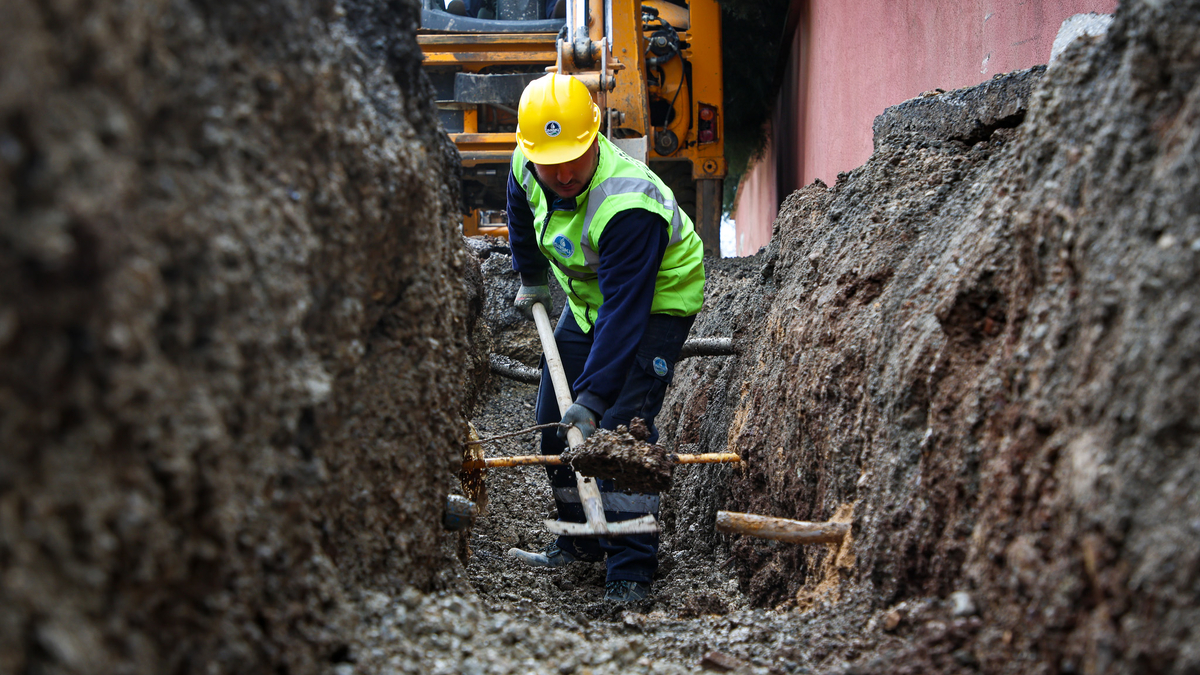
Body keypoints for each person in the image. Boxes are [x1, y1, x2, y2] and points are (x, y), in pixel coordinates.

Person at [503, 73, 706, 603]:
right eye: (551, 161)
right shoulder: (528, 164)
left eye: (575, 155)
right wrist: (530, 280)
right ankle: (582, 541)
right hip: (588, 299)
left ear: (595, 138)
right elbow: (521, 219)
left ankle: (631, 568)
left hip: (654, 301)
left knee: (621, 432)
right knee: (554, 420)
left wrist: (594, 399)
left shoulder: (627, 206)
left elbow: (626, 311)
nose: (564, 172)